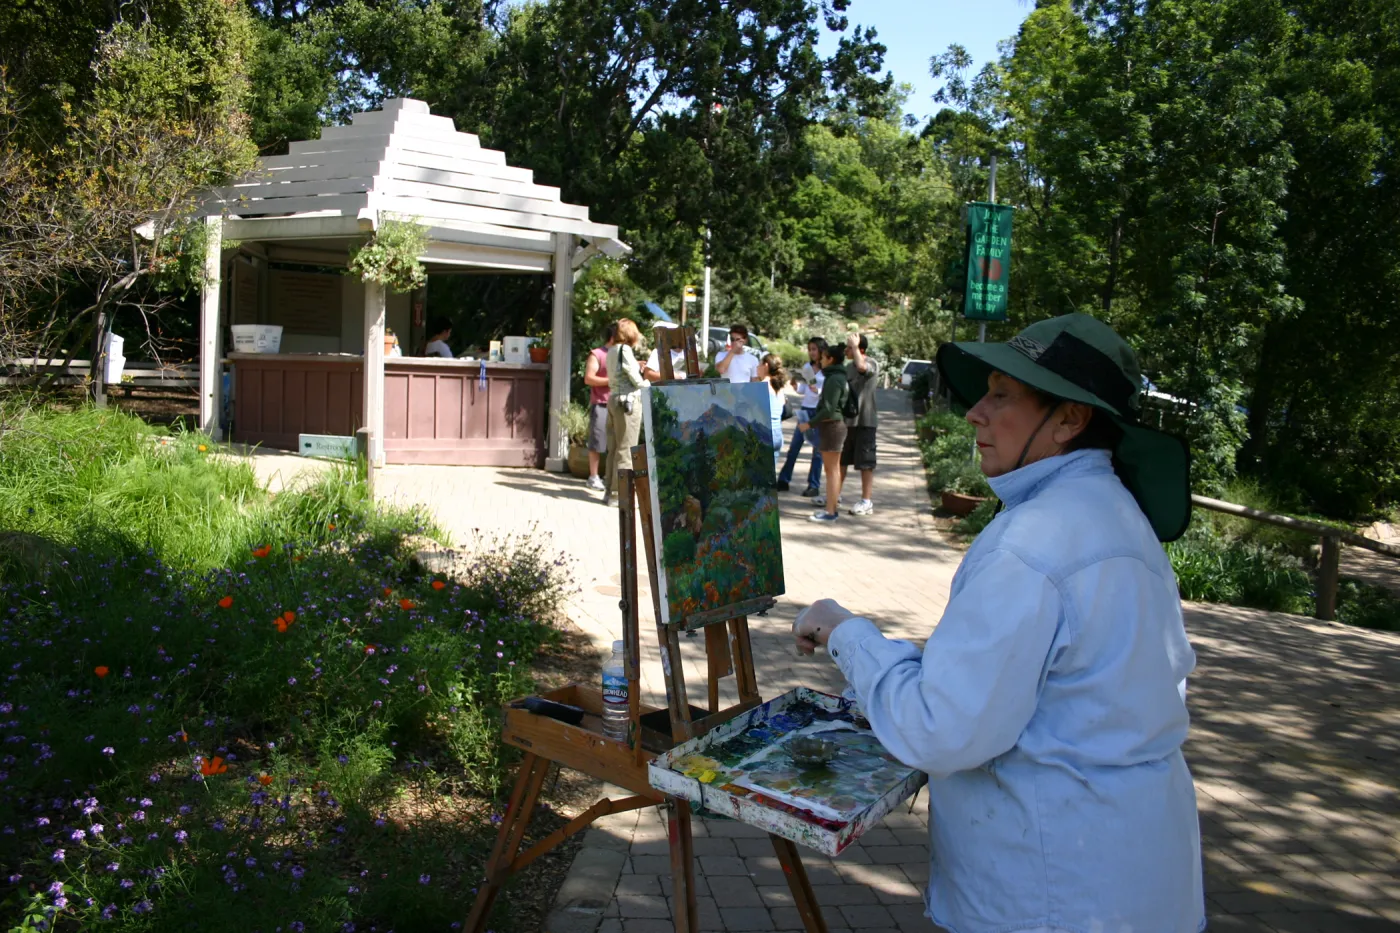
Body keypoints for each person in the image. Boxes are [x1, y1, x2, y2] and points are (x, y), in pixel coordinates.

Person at [793, 313, 1202, 933]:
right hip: (1141, 880)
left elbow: (941, 729)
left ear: (1070, 418)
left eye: (1003, 395)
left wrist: (844, 631)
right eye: (985, 391)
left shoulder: (1032, 544)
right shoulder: (1116, 515)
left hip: (1054, 895)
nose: (974, 413)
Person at [603, 318, 646, 506]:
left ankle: (609, 491)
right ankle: (621, 495)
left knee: (613, 449)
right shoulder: (625, 350)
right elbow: (635, 379)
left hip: (613, 399)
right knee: (627, 450)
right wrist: (649, 386)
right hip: (627, 402)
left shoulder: (611, 350)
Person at [776, 337, 827, 497]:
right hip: (805, 410)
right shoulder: (807, 367)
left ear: (821, 350)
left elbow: (827, 392)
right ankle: (784, 480)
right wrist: (797, 387)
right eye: (809, 349)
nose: (811, 352)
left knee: (817, 451)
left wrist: (817, 391)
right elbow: (805, 390)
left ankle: (813, 485)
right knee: (794, 447)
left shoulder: (827, 369)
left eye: (814, 349)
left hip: (819, 412)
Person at [807, 342, 849, 524]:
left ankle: (830, 512)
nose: (821, 361)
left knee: (832, 471)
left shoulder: (834, 379)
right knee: (834, 471)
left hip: (832, 427)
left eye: (823, 357)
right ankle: (831, 510)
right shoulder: (838, 377)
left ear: (831, 359)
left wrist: (809, 423)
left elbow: (829, 409)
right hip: (835, 427)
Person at [841, 333, 879, 516]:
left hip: (866, 421)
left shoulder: (872, 363)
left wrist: (855, 347)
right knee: (841, 460)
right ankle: (835, 494)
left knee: (866, 463)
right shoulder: (848, 367)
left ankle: (866, 502)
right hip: (848, 422)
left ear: (860, 349)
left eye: (849, 347)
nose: (846, 350)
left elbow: (863, 368)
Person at [582, 323, 618, 491]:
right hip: (601, 404)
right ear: (613, 337)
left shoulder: (622, 355)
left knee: (616, 444)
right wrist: (612, 381)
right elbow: (589, 378)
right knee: (597, 442)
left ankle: (610, 477)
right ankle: (593, 476)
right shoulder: (597, 354)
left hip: (619, 404)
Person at [756, 353, 787, 466]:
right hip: (777, 433)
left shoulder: (762, 386)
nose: (757, 368)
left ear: (766, 366)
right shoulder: (779, 386)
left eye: (759, 365)